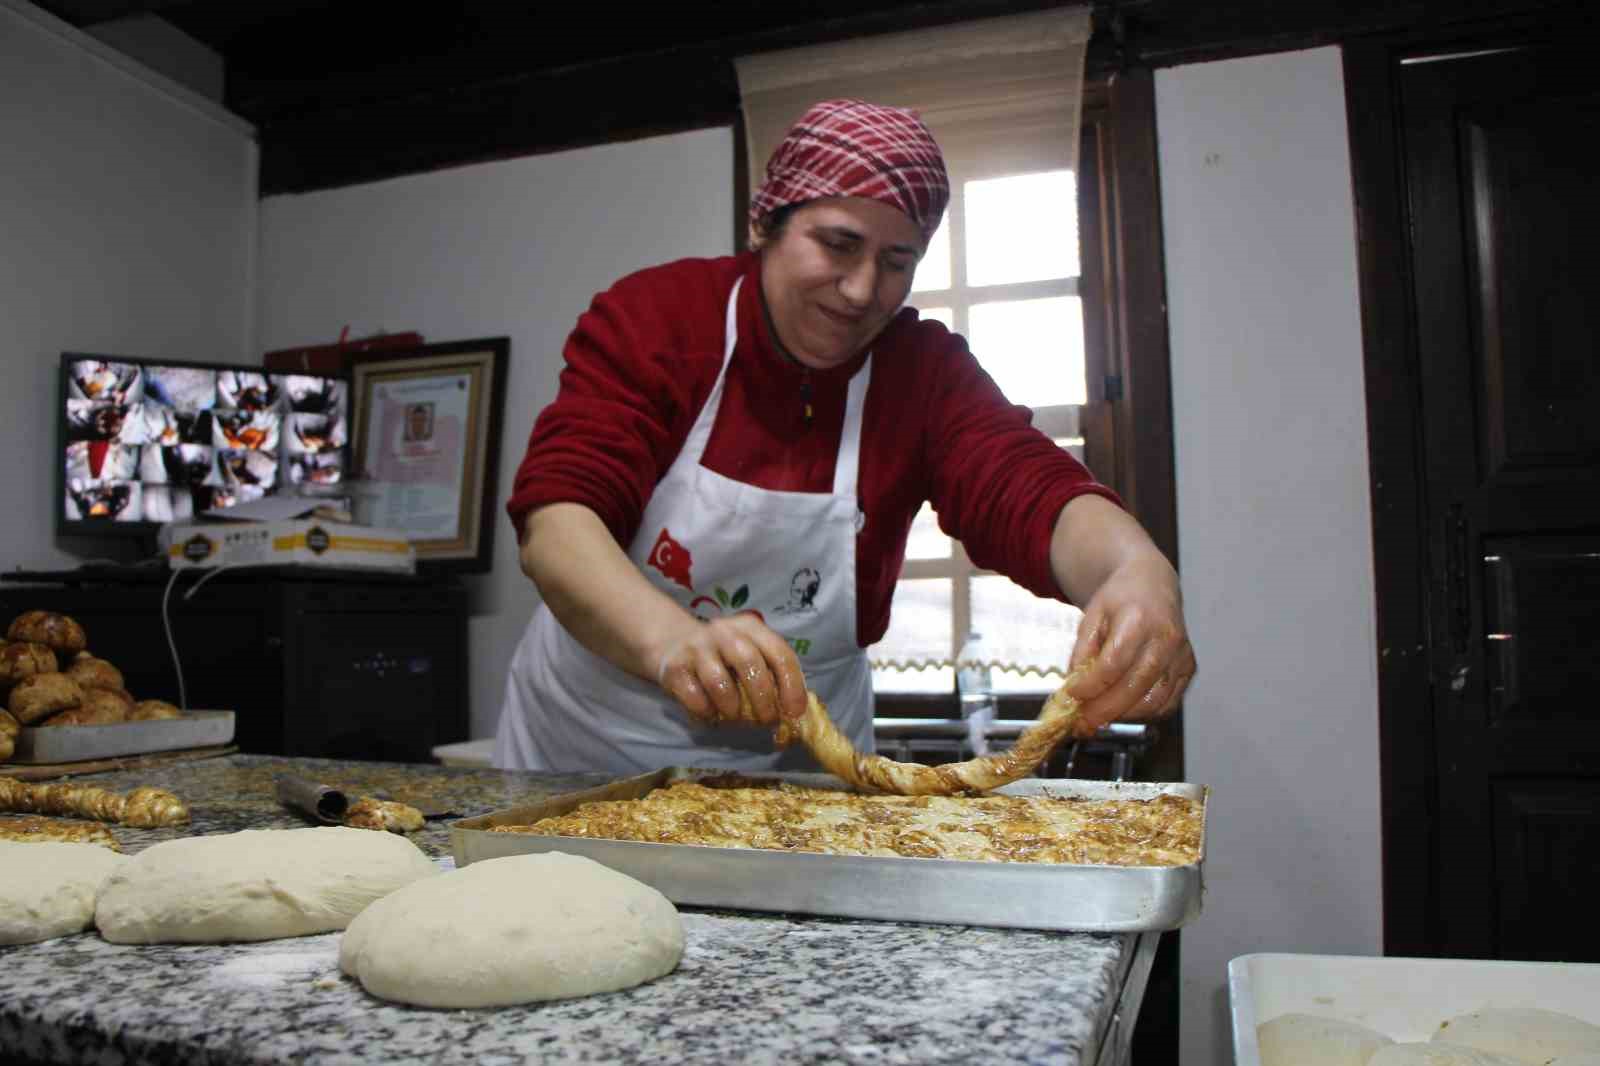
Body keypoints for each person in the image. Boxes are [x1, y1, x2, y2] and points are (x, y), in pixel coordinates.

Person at [493, 98, 1196, 773]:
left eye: (897, 262)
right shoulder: (660, 321)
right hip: (590, 746)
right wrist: (676, 643)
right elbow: (558, 526)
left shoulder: (921, 374)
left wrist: (1135, 569)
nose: (862, 291)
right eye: (838, 244)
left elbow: (1027, 487)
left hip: (801, 770)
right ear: (765, 224)